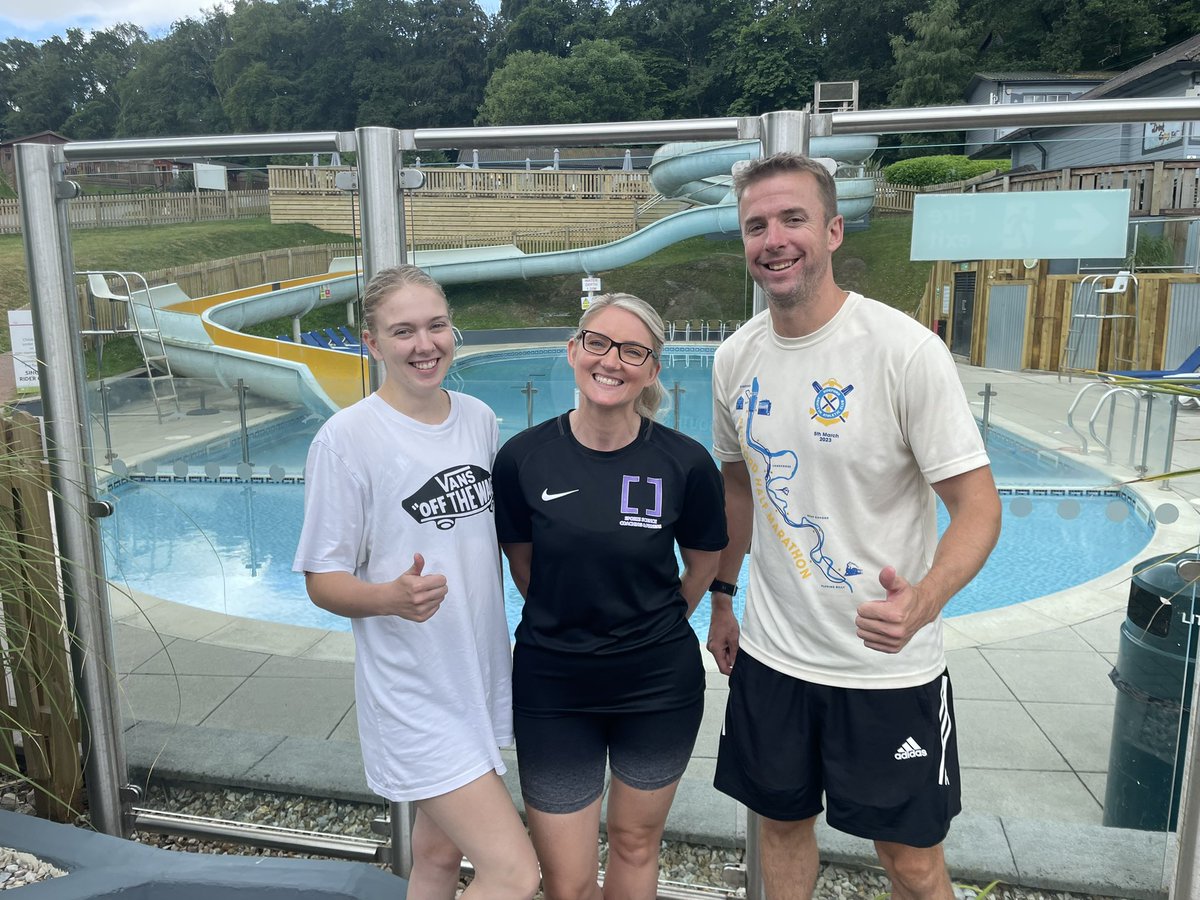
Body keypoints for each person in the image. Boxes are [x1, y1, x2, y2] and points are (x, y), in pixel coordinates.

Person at [708, 153, 1002, 900]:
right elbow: (738, 485)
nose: (774, 238)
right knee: (779, 831)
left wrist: (924, 600)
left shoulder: (904, 351)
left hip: (885, 669)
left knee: (911, 863)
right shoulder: (734, 359)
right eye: (756, 225)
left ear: (833, 230)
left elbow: (978, 505)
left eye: (793, 219)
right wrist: (722, 595)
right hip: (775, 658)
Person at [292, 264, 539, 900]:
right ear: (371, 343)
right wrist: (389, 599)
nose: (425, 344)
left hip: (477, 676)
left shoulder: (479, 418)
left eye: (436, 325)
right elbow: (322, 580)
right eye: (402, 331)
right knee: (514, 872)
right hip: (413, 693)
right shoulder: (347, 441)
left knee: (435, 854)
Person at [492, 292, 728, 900]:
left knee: (633, 845)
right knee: (567, 883)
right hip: (554, 686)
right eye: (597, 342)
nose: (611, 360)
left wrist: (659, 618)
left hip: (656, 685)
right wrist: (571, 617)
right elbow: (524, 565)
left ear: (651, 369)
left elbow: (704, 559)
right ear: (573, 351)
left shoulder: (685, 463)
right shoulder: (523, 459)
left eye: (632, 351)